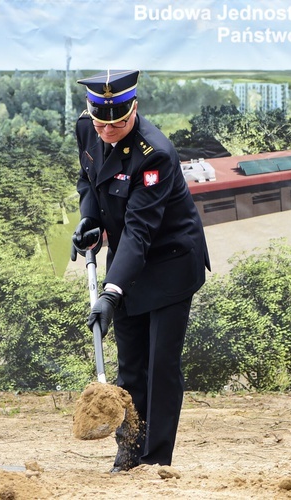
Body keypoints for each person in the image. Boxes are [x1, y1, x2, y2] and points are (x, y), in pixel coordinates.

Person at [71, 69, 210, 472]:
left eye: (118, 122)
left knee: (160, 365)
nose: (108, 130)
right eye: (101, 122)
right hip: (128, 264)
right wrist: (88, 219)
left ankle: (154, 460)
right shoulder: (87, 129)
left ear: (134, 108)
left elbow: (139, 231)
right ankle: (128, 451)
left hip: (169, 261)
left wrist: (110, 293)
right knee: (130, 362)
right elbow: (88, 182)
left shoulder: (156, 154)